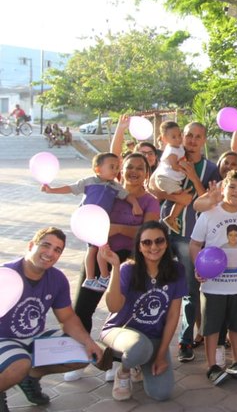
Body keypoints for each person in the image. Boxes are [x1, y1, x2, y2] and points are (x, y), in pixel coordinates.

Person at [65, 153, 161, 383]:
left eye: (140, 168)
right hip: (98, 256)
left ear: (147, 173)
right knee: (82, 309)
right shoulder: (108, 191)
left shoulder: (150, 201)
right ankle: (79, 358)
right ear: (121, 169)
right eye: (129, 167)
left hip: (129, 261)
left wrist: (116, 228)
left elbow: (148, 234)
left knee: (122, 313)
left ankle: (117, 361)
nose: (134, 171)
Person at [0, 227, 103, 409]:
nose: (50, 253)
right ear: (31, 245)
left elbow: (68, 318)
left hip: (33, 337)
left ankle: (30, 378)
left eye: (57, 250)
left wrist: (89, 341)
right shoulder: (5, 274)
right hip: (4, 339)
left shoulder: (57, 279)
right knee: (19, 364)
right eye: (46, 245)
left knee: (82, 353)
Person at [151, 121, 221, 363]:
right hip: (162, 232)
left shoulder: (210, 168)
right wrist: (174, 195)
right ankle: (151, 338)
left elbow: (210, 200)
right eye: (188, 135)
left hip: (189, 234)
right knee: (156, 287)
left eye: (197, 136)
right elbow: (154, 188)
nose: (191, 140)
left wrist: (192, 176)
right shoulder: (171, 156)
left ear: (204, 140)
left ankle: (185, 339)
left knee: (190, 289)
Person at [190, 171, 237, 385]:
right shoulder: (209, 214)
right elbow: (195, 244)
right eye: (232, 187)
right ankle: (212, 366)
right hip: (214, 285)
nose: (236, 192)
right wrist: (199, 266)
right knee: (212, 327)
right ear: (224, 188)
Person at [99, 222, 186, 401]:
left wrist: (161, 354)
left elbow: (172, 316)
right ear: (139, 246)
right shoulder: (128, 269)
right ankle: (123, 371)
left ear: (167, 243)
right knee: (139, 347)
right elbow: (113, 307)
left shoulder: (177, 270)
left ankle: (138, 362)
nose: (154, 247)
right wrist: (115, 267)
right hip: (120, 330)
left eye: (159, 241)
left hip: (153, 336)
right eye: (147, 242)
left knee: (161, 393)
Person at [41, 152, 142, 291]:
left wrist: (135, 205)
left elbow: (127, 196)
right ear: (98, 169)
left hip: (101, 223)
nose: (115, 170)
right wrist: (51, 190)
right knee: (93, 249)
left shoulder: (115, 186)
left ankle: (103, 277)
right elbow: (71, 188)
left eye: (117, 167)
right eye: (111, 167)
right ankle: (91, 278)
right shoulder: (88, 182)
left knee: (102, 248)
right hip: (87, 222)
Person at [153, 121, 187, 234]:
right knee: (183, 199)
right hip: (165, 179)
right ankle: (171, 218)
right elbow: (174, 166)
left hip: (169, 179)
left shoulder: (178, 147)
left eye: (179, 135)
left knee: (182, 197)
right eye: (173, 137)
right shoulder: (171, 150)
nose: (178, 139)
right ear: (164, 138)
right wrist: (186, 169)